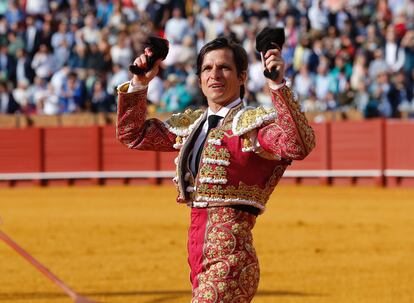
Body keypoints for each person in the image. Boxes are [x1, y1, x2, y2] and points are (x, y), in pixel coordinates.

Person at [116, 36, 315, 302]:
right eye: (207, 69)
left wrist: (277, 85)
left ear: (242, 76)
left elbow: (298, 144)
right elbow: (133, 135)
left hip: (232, 259)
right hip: (197, 257)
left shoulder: (253, 126)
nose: (214, 75)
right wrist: (141, 82)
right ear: (199, 79)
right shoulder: (191, 125)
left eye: (224, 67)